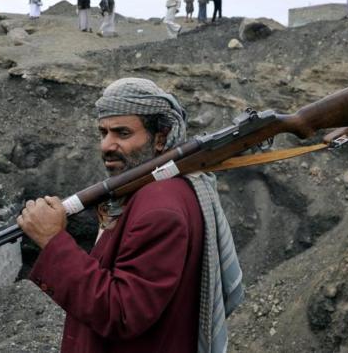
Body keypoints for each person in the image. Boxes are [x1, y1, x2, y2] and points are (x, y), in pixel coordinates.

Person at [19, 77, 244, 353]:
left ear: (160, 138)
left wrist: (54, 242)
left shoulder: (159, 208)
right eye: (103, 133)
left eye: (122, 133)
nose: (106, 145)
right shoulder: (158, 193)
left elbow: (122, 312)